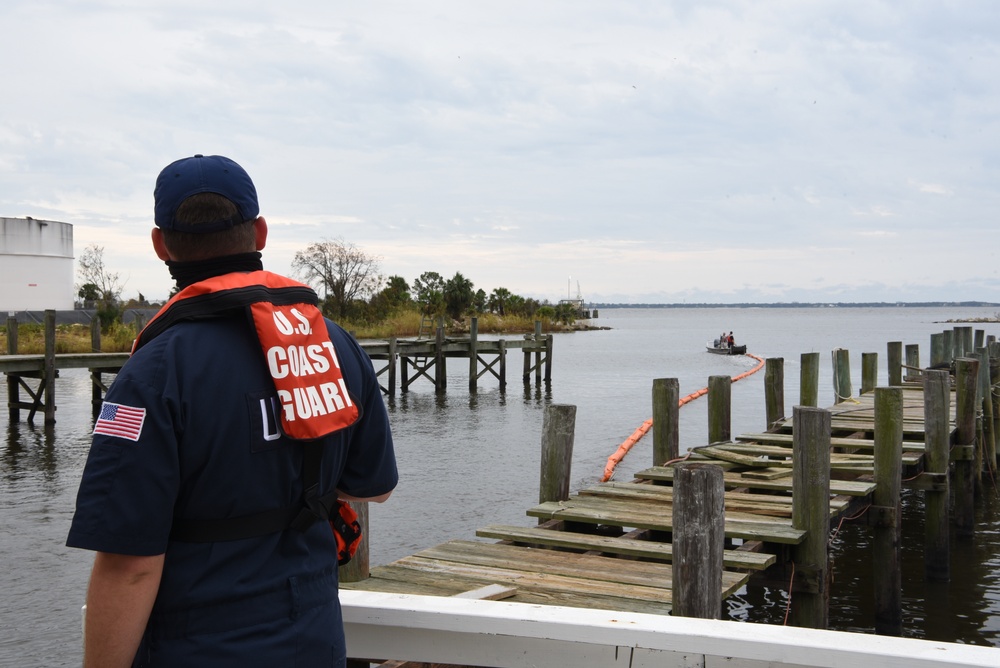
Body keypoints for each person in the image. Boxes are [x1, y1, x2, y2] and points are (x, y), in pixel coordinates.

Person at [67, 154, 398, 667]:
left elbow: (129, 565)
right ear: (260, 232)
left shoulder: (153, 374)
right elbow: (374, 487)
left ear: (161, 244)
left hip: (197, 646)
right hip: (314, 640)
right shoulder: (332, 345)